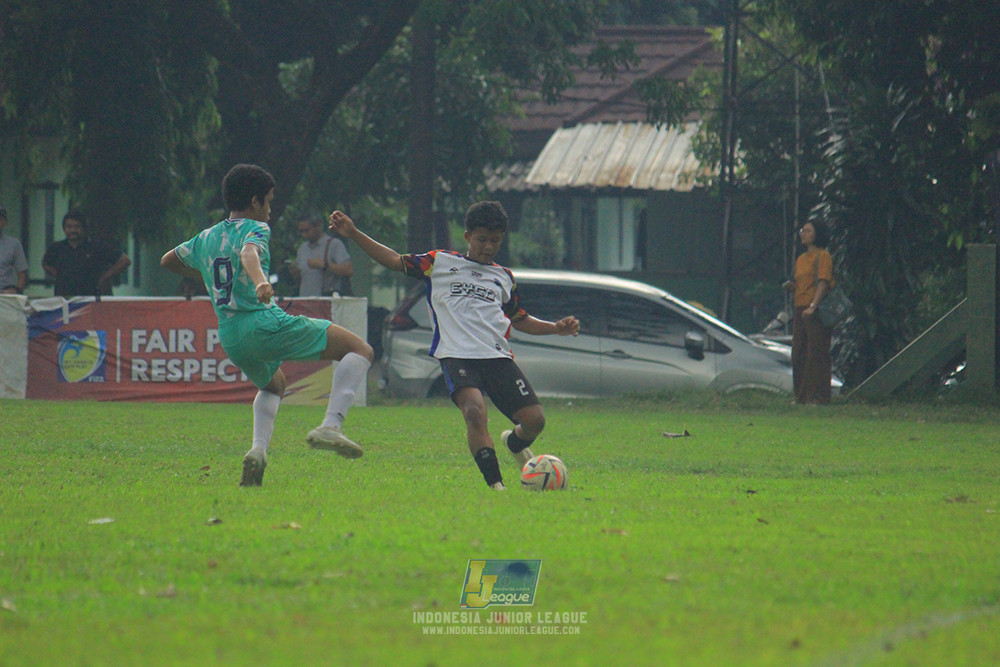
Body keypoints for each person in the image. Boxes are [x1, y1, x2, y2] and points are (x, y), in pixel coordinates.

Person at [329, 200, 580, 491]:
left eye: (495, 240)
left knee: (535, 420)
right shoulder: (439, 262)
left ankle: (514, 443)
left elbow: (519, 318)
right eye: (482, 239)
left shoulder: (504, 277)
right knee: (474, 411)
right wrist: (354, 233)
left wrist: (555, 328)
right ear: (468, 236)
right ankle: (497, 487)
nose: (488, 247)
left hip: (497, 357)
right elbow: (395, 260)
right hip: (456, 356)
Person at [160, 163, 374, 487]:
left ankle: (257, 451)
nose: (270, 210)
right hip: (261, 323)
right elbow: (249, 254)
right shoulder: (256, 228)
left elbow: (169, 260)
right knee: (360, 349)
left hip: (231, 336)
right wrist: (261, 281)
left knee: (274, 384)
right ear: (255, 201)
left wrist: (207, 275)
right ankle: (331, 425)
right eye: (269, 202)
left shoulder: (207, 236)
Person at [784, 219, 835, 405]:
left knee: (816, 352)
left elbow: (823, 282)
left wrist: (813, 305)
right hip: (800, 307)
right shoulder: (801, 259)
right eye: (802, 231)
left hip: (815, 310)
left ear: (817, 234)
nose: (803, 234)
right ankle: (801, 395)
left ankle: (818, 396)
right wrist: (792, 287)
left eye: (808, 231)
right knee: (799, 352)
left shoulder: (823, 256)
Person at [42, 210, 131, 297]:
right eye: (69, 227)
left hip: (90, 299)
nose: (72, 230)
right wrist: (58, 276)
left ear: (84, 228)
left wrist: (105, 277)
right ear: (64, 229)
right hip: (63, 299)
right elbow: (45, 263)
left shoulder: (97, 247)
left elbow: (125, 261)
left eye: (77, 226)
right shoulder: (57, 248)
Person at [289, 213, 353, 296]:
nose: (304, 234)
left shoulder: (334, 244)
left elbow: (348, 270)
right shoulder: (302, 248)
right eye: (301, 231)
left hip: (326, 299)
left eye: (307, 230)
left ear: (318, 227)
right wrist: (295, 273)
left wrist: (324, 265)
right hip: (305, 298)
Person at [0, 206, 28, 294]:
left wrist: (16, 291)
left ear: (5, 222)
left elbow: (22, 274)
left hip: (5, 296)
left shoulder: (14, 244)